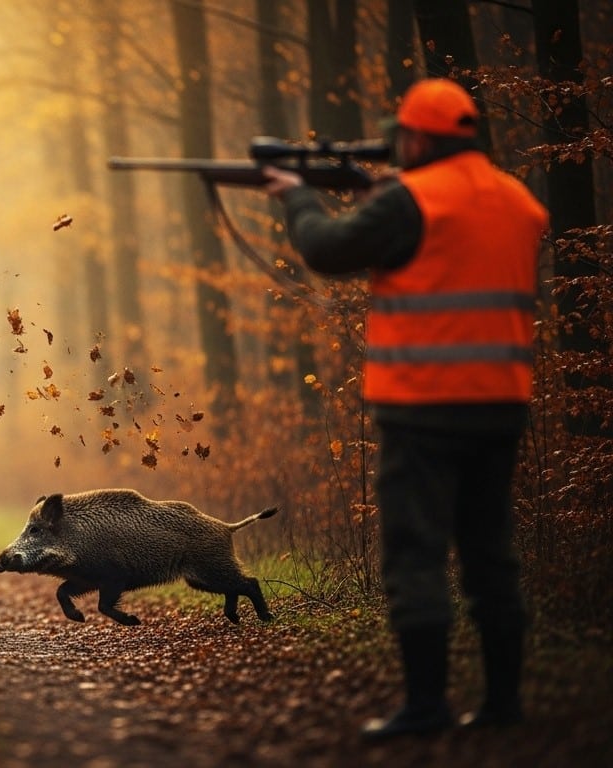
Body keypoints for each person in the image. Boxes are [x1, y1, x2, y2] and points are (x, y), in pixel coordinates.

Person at [263, 77, 549, 739]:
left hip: (422, 407)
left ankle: (426, 707)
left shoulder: (410, 199)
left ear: (417, 136)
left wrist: (297, 196)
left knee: (415, 554)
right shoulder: (518, 200)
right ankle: (504, 704)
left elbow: (327, 251)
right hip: (500, 405)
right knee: (489, 554)